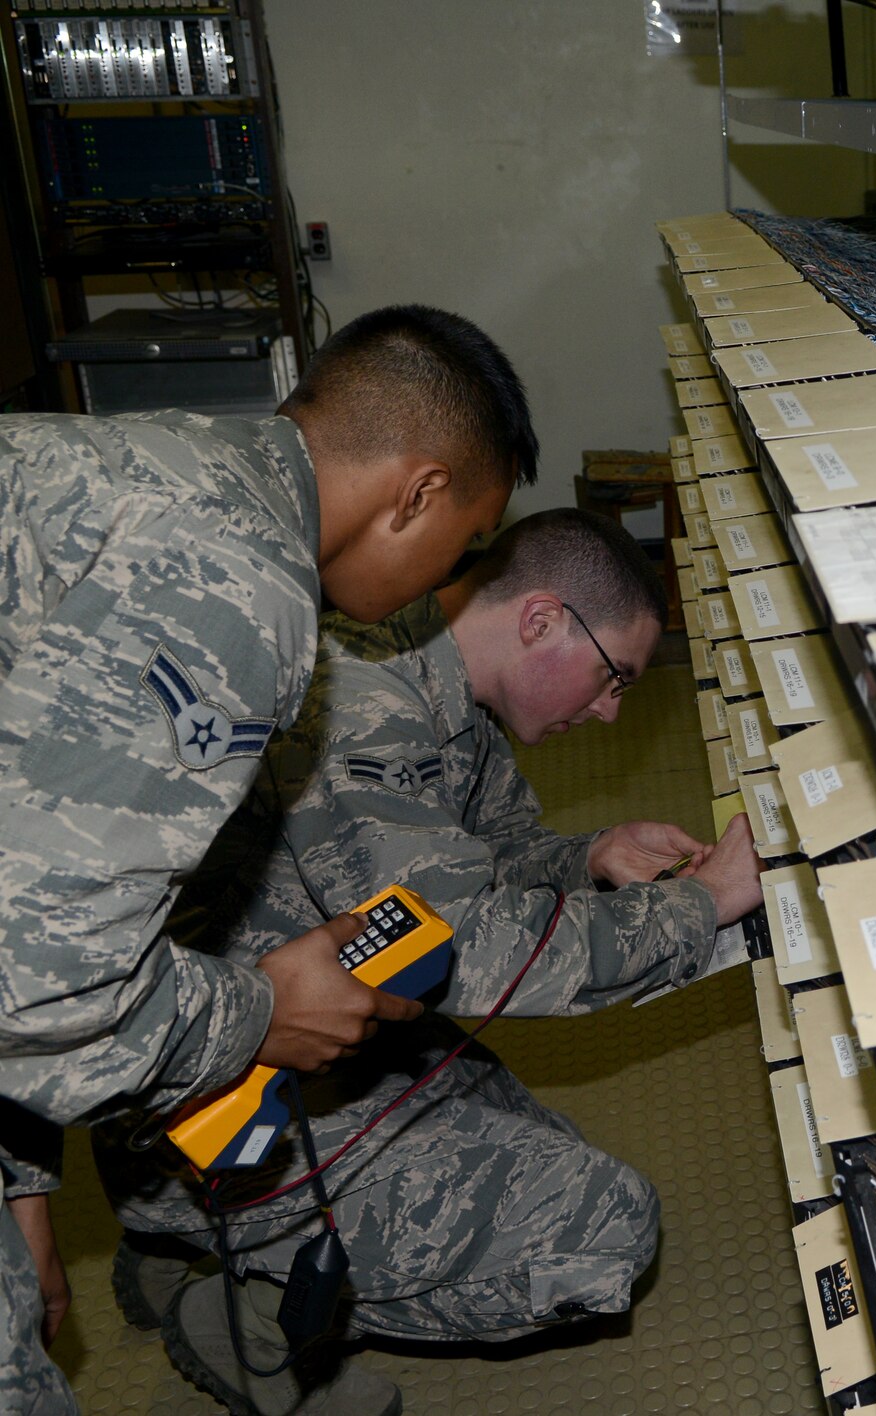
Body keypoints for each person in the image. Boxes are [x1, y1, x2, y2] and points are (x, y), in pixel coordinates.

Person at [98, 508, 763, 1414]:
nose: (609, 711)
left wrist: (590, 854)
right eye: (614, 679)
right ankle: (243, 1305)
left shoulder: (435, 670)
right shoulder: (368, 713)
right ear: (539, 621)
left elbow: (486, 860)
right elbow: (466, 952)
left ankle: (188, 1247)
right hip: (219, 1094)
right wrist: (704, 905)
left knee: (543, 1159)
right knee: (602, 1229)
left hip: (310, 1044)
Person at [0, 304, 537, 1416]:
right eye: (467, 541)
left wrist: (23, 1198)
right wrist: (258, 1012)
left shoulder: (164, 461)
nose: (458, 576)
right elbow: (43, 982)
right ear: (420, 490)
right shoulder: (239, 588)